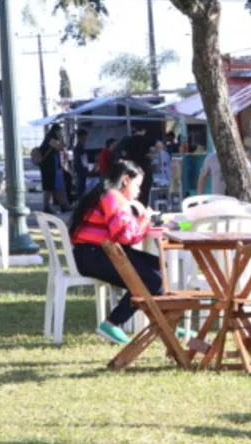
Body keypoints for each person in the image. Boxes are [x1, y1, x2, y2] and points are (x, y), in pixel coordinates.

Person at [68, 160, 161, 345]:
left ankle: (165, 322)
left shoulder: (104, 193)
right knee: (151, 279)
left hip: (97, 253)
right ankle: (113, 323)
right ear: (126, 180)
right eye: (137, 185)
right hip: (97, 256)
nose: (138, 192)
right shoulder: (113, 197)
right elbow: (125, 236)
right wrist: (144, 218)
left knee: (160, 269)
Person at [119, 126, 156, 205]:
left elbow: (123, 153)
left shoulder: (127, 140)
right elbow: (160, 145)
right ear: (143, 130)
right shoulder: (146, 139)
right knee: (145, 191)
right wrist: (151, 154)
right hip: (144, 167)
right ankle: (142, 208)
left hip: (131, 168)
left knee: (130, 190)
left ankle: (131, 208)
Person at [39, 124, 70, 213]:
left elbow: (62, 147)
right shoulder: (49, 138)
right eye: (60, 131)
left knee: (56, 187)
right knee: (49, 187)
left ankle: (63, 205)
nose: (61, 132)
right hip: (48, 167)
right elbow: (59, 147)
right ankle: (47, 207)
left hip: (54, 167)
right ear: (56, 131)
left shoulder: (54, 139)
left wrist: (61, 138)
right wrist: (60, 137)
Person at [72, 130, 91, 201]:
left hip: (79, 167)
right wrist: (86, 167)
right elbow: (83, 158)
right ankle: (80, 199)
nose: (86, 137)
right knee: (81, 184)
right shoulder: (80, 146)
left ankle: (80, 199)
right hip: (81, 168)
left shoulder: (79, 145)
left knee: (81, 184)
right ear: (81, 136)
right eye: (85, 135)